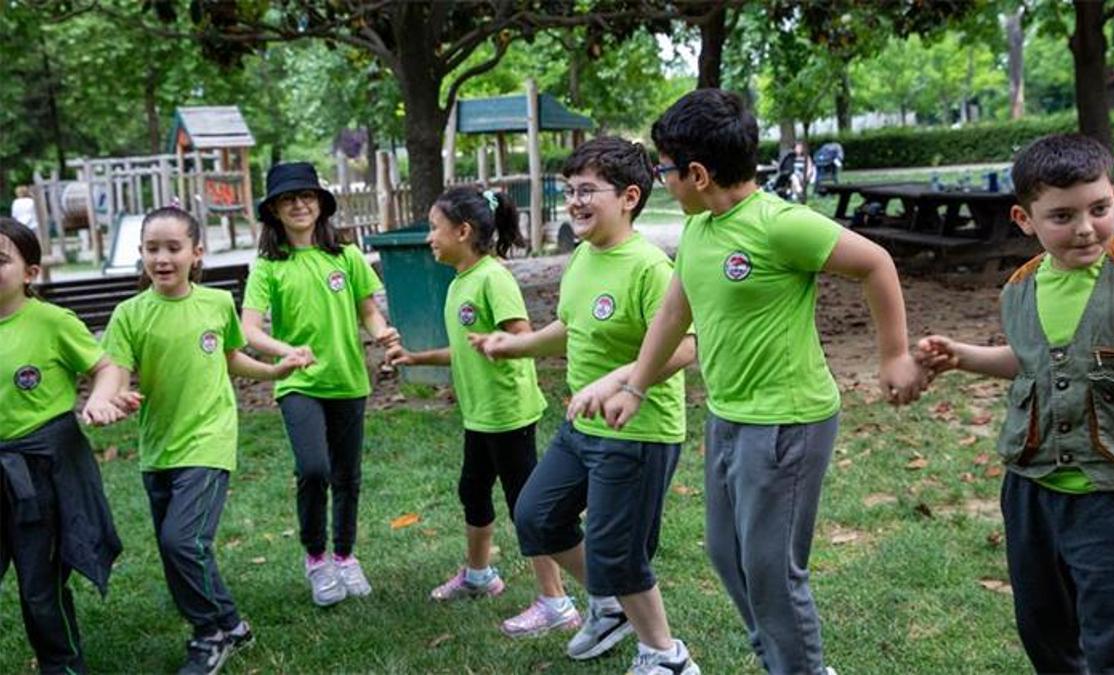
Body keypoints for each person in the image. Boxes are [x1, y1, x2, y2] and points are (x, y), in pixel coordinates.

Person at [600, 89, 923, 675]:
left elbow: (875, 262)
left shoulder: (780, 225)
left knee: (772, 569)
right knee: (729, 556)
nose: (659, 181)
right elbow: (675, 313)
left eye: (663, 170)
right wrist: (635, 386)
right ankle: (784, 656)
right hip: (730, 416)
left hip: (787, 420)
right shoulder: (699, 230)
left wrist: (894, 354)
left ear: (697, 173)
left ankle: (798, 667)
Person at [916, 133, 1114, 674]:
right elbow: (1035, 362)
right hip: (1031, 494)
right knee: (1045, 633)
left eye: (1099, 208)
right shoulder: (1020, 288)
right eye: (1062, 216)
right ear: (1025, 219)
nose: (1086, 227)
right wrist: (964, 356)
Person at [471, 137, 700, 674]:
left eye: (587, 190)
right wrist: (515, 345)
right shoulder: (582, 257)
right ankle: (609, 606)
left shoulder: (649, 267)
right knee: (536, 517)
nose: (574, 202)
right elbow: (570, 329)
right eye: (569, 190)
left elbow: (686, 345)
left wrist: (627, 384)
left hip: (639, 430)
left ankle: (666, 657)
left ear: (629, 197)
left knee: (616, 549)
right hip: (582, 425)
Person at [102, 207, 305, 675]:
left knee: (182, 541)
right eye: (152, 249)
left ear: (197, 253)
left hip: (209, 440)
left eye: (173, 248)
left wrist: (273, 369)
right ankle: (231, 623)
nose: (162, 258)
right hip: (158, 449)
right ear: (141, 255)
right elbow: (114, 369)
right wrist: (107, 400)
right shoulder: (130, 314)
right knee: (180, 548)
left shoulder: (216, 303)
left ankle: (209, 633)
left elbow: (231, 357)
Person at [386, 186, 576, 637]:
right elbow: (462, 350)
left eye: (435, 228)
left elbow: (521, 336)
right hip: (479, 415)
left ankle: (557, 602)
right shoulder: (459, 283)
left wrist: (501, 346)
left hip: (509, 413)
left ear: (463, 231)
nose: (430, 237)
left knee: (525, 506)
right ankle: (479, 575)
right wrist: (417, 359)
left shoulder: (493, 277)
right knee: (472, 490)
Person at [240, 163, 398, 607]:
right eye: (288, 199)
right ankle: (316, 558)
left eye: (307, 195)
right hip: (298, 382)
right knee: (314, 469)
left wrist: (381, 332)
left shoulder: (345, 256)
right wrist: (283, 351)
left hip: (348, 379)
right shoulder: (269, 266)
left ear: (321, 203)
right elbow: (249, 328)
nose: (299, 204)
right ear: (273, 210)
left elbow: (367, 310)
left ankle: (345, 556)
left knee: (348, 474)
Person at [0, 216, 128, 673]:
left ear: (30, 273)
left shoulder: (52, 322)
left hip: (42, 473)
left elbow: (107, 367)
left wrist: (97, 400)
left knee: (40, 587)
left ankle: (62, 666)